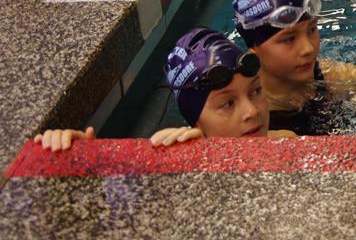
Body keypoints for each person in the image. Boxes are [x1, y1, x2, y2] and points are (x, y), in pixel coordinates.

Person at [34, 28, 295, 151]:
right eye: (228, 103)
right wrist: (87, 164)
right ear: (195, 120)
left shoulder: (287, 141)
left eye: (255, 91)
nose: (252, 111)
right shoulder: (178, 162)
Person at [233, 0, 356, 135]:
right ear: (254, 48)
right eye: (289, 39)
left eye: (312, 30)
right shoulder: (244, 118)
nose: (308, 48)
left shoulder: (348, 81)